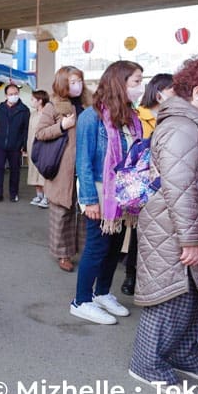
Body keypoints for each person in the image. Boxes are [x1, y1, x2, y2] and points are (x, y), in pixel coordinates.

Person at [128, 56, 198, 387]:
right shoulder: (181, 126)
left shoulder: (196, 122)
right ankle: (145, 363)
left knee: (194, 297)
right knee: (171, 298)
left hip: (194, 224)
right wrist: (192, 240)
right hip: (176, 229)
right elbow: (180, 186)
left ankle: (182, 353)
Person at [70, 60, 143, 325]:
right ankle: (81, 300)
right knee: (97, 247)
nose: (140, 87)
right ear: (119, 82)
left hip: (124, 192)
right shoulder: (91, 116)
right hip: (101, 191)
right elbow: (83, 162)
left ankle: (102, 293)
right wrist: (89, 200)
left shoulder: (130, 116)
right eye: (136, 81)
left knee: (115, 246)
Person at [35, 67, 91, 272]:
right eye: (72, 81)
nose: (77, 85)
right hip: (62, 169)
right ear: (63, 83)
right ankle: (63, 254)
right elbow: (40, 133)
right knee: (62, 212)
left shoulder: (89, 105)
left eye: (79, 81)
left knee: (87, 211)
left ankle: (86, 251)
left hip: (86, 167)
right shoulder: (53, 106)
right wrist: (62, 126)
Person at [122, 73, 174, 296]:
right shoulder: (139, 116)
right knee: (138, 233)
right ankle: (131, 274)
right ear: (159, 92)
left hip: (168, 180)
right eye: (173, 91)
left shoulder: (174, 117)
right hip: (144, 182)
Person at [0, 84, 29, 203]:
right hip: (0, 145)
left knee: (15, 170)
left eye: (16, 93)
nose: (14, 96)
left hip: (16, 146)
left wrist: (24, 145)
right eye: (11, 94)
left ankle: (13, 194)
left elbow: (26, 130)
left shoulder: (24, 110)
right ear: (6, 95)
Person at [26, 90, 50, 208]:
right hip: (31, 146)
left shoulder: (48, 114)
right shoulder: (33, 114)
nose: (31, 101)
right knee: (33, 170)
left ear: (40, 101)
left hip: (43, 147)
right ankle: (39, 194)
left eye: (33, 99)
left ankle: (47, 197)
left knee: (43, 172)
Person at [136, 73, 175, 137]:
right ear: (158, 95)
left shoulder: (175, 116)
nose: (178, 96)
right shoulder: (137, 116)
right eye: (174, 91)